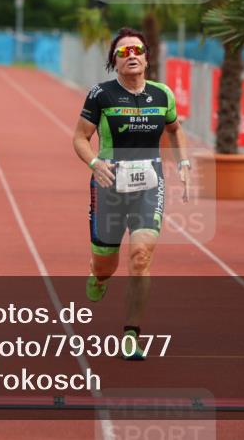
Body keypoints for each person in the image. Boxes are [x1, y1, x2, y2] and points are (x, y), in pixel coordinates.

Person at [72, 27, 190, 360]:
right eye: (123, 53)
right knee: (106, 265)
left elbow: (175, 130)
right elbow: (80, 138)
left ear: (147, 56)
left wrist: (183, 164)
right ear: (114, 61)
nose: (132, 56)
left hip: (149, 184)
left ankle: (131, 335)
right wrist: (95, 163)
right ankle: (98, 273)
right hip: (109, 185)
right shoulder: (101, 95)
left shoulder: (162, 95)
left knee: (140, 258)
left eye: (137, 50)